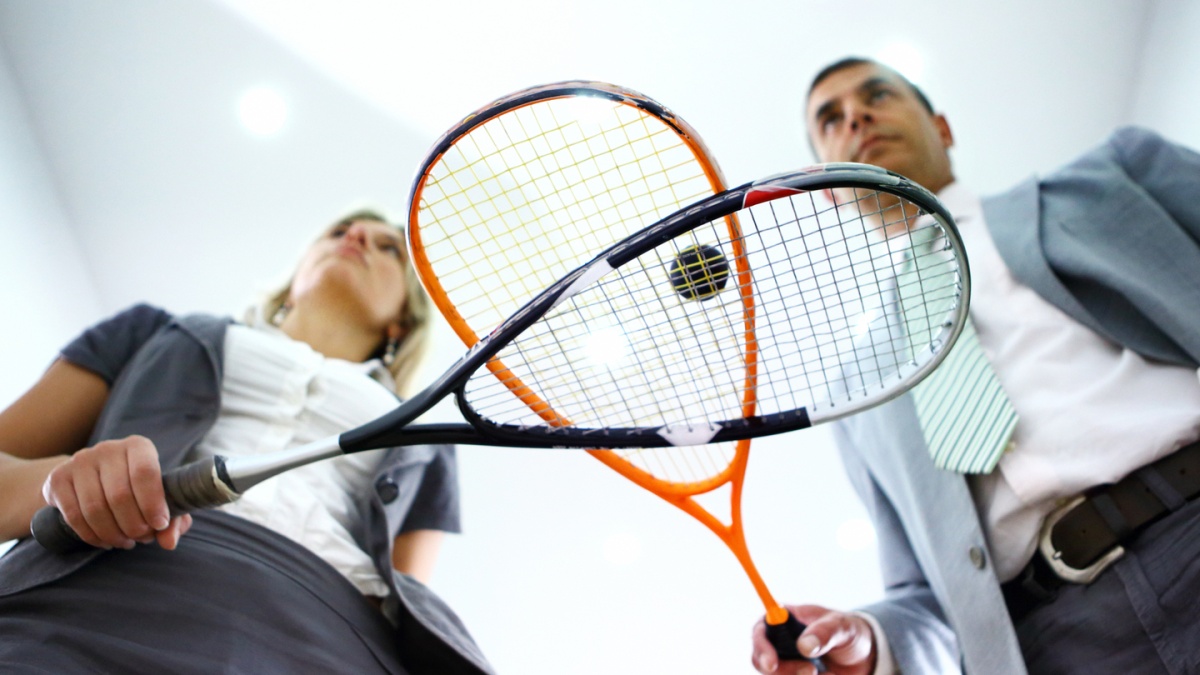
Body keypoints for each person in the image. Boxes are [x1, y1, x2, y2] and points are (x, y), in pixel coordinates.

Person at [750, 57, 1200, 675]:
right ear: (829, 187)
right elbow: (929, 599)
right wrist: (872, 640)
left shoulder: (1119, 173)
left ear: (943, 126)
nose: (855, 115)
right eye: (830, 118)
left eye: (876, 94)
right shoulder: (855, 404)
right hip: (1055, 643)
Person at [0, 210, 495, 674]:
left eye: (388, 248)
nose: (356, 237)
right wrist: (73, 485)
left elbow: (407, 593)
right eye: (340, 230)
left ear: (401, 322)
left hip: (332, 640)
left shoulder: (423, 436)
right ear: (295, 277)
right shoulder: (152, 331)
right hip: (90, 592)